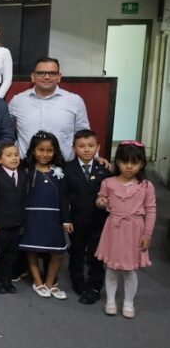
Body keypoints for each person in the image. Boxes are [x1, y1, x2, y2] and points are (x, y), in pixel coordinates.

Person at [95, 141, 156, 319]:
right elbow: (101, 201)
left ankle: (129, 302)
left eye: (134, 163)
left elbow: (151, 210)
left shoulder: (146, 186)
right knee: (111, 268)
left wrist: (147, 234)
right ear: (117, 162)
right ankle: (110, 301)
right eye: (124, 162)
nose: (129, 167)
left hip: (134, 230)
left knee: (130, 270)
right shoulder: (108, 182)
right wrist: (101, 202)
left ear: (142, 164)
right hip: (113, 229)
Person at [18, 131, 72, 300]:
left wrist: (66, 220)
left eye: (49, 151)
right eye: (41, 150)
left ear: (55, 152)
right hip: (32, 217)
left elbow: (64, 198)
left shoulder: (59, 172)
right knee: (32, 250)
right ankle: (38, 281)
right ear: (33, 151)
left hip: (53, 218)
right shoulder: (27, 171)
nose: (45, 154)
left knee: (58, 252)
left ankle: (50, 283)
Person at [8, 57, 91, 161]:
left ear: (59, 77)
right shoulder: (17, 101)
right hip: (26, 165)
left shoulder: (75, 101)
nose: (47, 77)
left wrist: (94, 159)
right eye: (41, 73)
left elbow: (84, 136)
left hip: (64, 165)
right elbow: (6, 132)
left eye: (52, 73)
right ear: (33, 77)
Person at [64, 129, 112, 304]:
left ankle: (94, 286)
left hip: (99, 220)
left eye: (91, 146)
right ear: (74, 148)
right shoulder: (67, 169)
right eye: (81, 146)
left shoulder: (104, 169)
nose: (86, 149)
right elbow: (63, 197)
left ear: (98, 147)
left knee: (96, 254)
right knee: (76, 251)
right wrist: (65, 219)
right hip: (76, 220)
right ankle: (78, 282)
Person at [0, 142, 27, 294]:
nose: (14, 158)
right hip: (0, 223)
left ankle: (6, 279)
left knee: (12, 253)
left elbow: (23, 198)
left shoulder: (23, 174)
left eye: (16, 155)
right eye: (9, 155)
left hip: (16, 222)